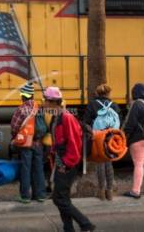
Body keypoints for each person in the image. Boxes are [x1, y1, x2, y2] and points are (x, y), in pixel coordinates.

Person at [45, 86, 95, 232]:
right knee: (63, 198)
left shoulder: (67, 117)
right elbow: (58, 140)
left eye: (45, 101)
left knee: (58, 198)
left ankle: (86, 224)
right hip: (61, 162)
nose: (44, 104)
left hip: (68, 163)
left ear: (53, 102)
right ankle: (68, 228)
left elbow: (74, 144)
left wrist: (66, 164)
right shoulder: (56, 117)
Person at [83, 84, 122, 201]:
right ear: (108, 93)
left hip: (98, 136)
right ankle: (109, 191)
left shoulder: (92, 104)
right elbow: (120, 119)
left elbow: (86, 121)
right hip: (111, 136)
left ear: (97, 93)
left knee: (100, 161)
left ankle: (101, 191)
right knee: (109, 161)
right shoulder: (114, 105)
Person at [11, 82, 46, 203]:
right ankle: (40, 195)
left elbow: (14, 127)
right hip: (38, 142)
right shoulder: (39, 107)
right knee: (39, 168)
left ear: (23, 96)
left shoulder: (21, 109)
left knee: (26, 168)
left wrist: (15, 138)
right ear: (32, 95)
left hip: (26, 143)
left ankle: (25, 196)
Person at [123, 83, 144, 199]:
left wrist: (124, 135)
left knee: (139, 164)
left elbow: (131, 123)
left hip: (137, 139)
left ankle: (135, 191)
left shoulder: (136, 104)